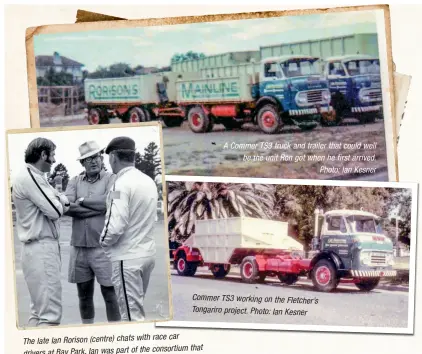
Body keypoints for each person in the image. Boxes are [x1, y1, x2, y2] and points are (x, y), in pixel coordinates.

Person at [12, 137, 70, 326]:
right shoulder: (31, 177)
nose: (53, 160)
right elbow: (56, 211)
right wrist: (60, 200)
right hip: (41, 248)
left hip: (36, 248)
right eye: (52, 155)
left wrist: (60, 199)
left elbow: (60, 201)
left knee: (38, 312)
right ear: (43, 155)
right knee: (49, 316)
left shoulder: (35, 177)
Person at [100, 137, 158, 322]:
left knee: (131, 317)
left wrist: (103, 241)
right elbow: (153, 218)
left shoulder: (119, 185)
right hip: (146, 254)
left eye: (109, 157)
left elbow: (115, 225)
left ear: (114, 157)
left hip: (127, 258)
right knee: (136, 310)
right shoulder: (148, 181)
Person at [64, 141, 121, 324]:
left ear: (101, 157)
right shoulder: (74, 181)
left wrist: (82, 200)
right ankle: (88, 331)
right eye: (88, 159)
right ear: (82, 163)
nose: (93, 161)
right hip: (79, 248)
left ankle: (116, 332)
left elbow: (114, 199)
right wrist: (100, 207)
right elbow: (67, 207)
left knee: (110, 293)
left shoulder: (112, 179)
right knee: (84, 295)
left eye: (96, 156)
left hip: (104, 248)